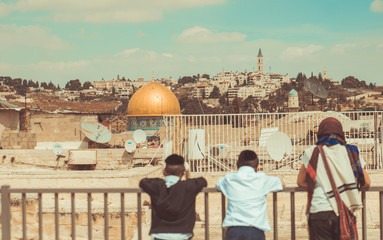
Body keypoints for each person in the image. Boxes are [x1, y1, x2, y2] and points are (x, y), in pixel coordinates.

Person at [297, 117, 371, 240]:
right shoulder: (351, 152)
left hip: (319, 211)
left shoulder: (312, 152)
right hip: (344, 209)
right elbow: (366, 182)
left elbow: (300, 181)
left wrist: (322, 185)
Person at [217, 150, 285, 240]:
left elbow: (218, 184)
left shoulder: (229, 179)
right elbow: (282, 183)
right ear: (257, 167)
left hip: (234, 230)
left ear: (237, 166)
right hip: (255, 231)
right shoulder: (262, 179)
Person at [139, 154, 207, 240]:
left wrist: (159, 181)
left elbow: (143, 182)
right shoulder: (188, 187)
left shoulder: (157, 186)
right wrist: (187, 176)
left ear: (164, 172)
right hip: (183, 235)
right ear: (183, 172)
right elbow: (202, 181)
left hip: (160, 235)